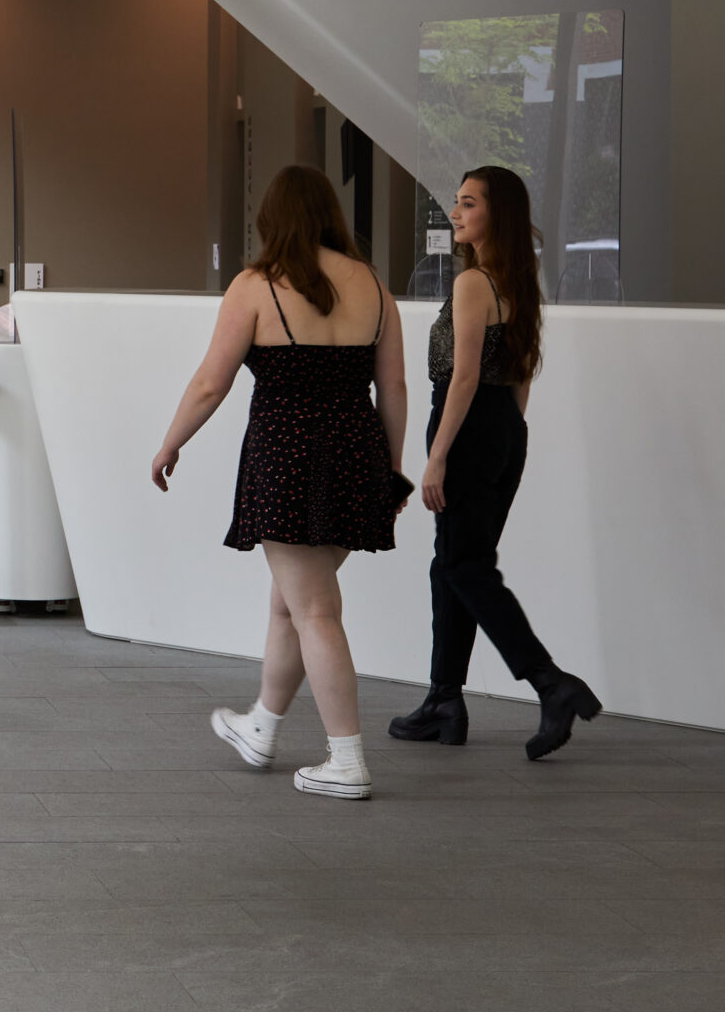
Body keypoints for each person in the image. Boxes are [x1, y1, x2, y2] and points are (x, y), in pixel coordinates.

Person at [152, 165, 409, 800]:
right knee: (291, 601)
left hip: (288, 459)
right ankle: (261, 727)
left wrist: (170, 441)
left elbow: (212, 382)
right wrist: (390, 473)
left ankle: (346, 759)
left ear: (272, 217)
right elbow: (395, 387)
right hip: (356, 457)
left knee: (314, 609)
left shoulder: (256, 286)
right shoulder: (374, 286)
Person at [389, 165, 601, 760]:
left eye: (468, 204)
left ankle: (549, 682)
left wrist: (436, 459)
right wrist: (508, 435)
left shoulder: (473, 283)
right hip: (505, 430)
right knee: (453, 563)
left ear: (495, 214)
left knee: (465, 565)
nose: (456, 214)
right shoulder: (519, 280)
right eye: (456, 204)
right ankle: (443, 701)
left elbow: (463, 376)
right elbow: (521, 374)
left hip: (468, 428)